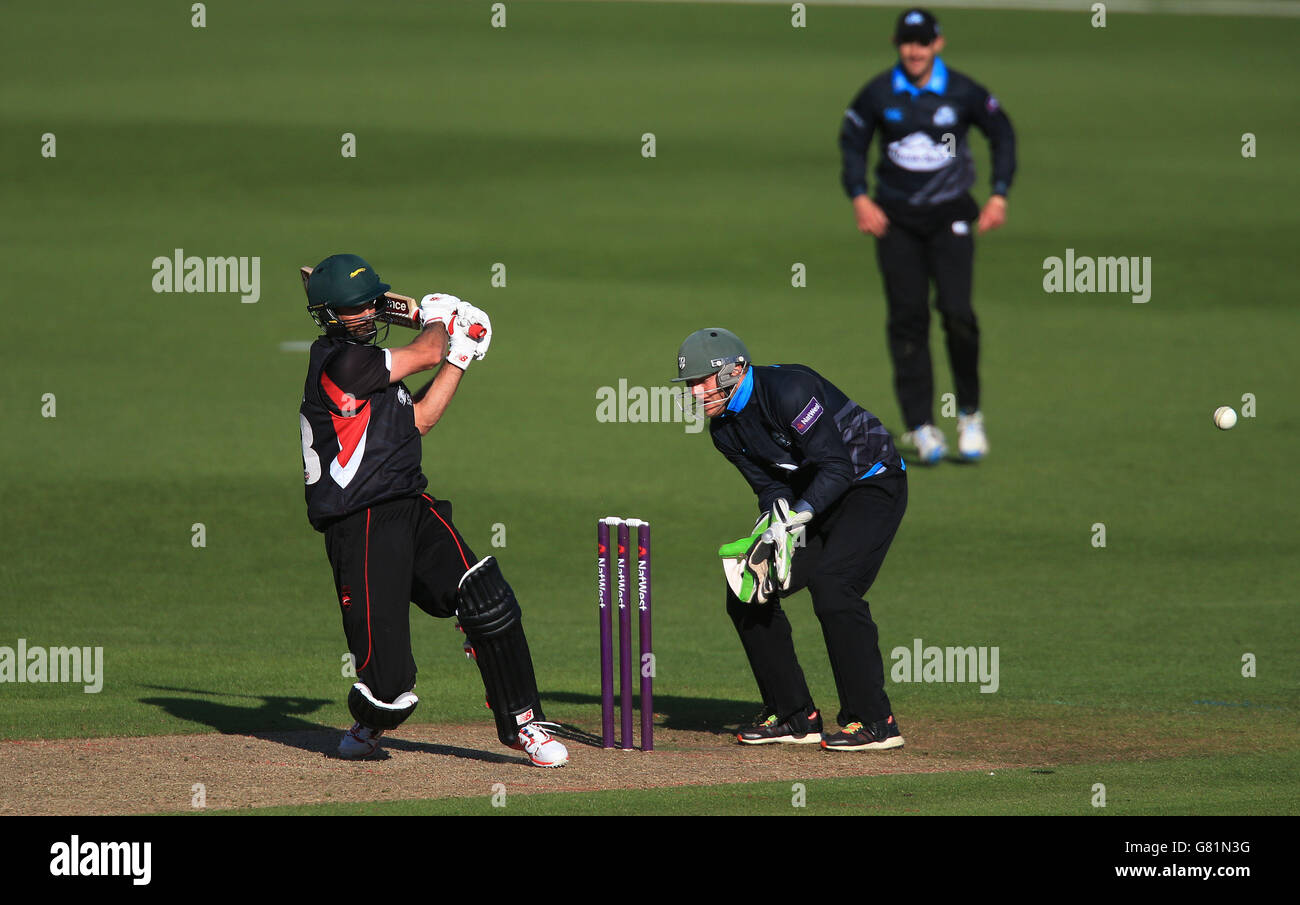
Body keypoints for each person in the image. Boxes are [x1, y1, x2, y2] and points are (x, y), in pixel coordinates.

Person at [298, 253, 567, 767]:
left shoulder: (375, 370)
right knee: (390, 686)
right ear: (331, 316)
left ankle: (524, 725)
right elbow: (423, 352)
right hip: (361, 522)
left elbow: (419, 419)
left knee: (486, 597)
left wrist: (460, 356)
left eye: (373, 303)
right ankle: (372, 719)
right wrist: (439, 321)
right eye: (358, 308)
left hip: (411, 506)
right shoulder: (341, 362)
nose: (371, 314)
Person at [674, 328, 907, 751]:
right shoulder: (723, 431)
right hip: (812, 499)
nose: (695, 393)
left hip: (870, 481)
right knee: (747, 589)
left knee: (834, 587)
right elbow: (770, 486)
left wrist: (798, 516)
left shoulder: (789, 390)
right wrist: (777, 519)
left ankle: (875, 721)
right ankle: (795, 715)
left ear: (733, 371)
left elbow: (836, 466)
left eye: (700, 382)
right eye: (690, 386)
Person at [839, 7, 1016, 463]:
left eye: (922, 42)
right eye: (906, 42)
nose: (914, 51)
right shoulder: (880, 93)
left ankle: (970, 416)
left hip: (951, 218)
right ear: (899, 45)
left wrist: (998, 195)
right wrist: (860, 197)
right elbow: (852, 142)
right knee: (907, 319)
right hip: (896, 223)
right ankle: (922, 426)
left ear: (938, 43)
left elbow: (1002, 132)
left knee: (958, 314)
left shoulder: (960, 91)